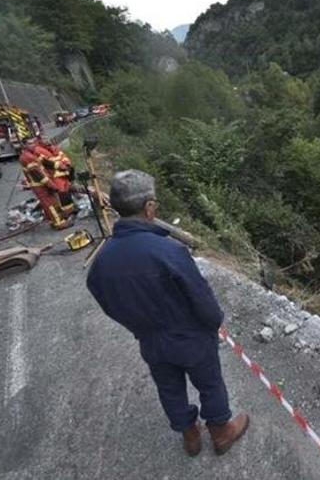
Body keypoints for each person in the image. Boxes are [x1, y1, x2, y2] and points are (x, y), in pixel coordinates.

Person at [86, 170, 250, 457]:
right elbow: (200, 297)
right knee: (210, 383)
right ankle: (221, 433)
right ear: (149, 207)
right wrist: (213, 324)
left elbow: (105, 300)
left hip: (150, 340)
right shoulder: (169, 250)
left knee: (169, 389)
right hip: (191, 337)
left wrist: (136, 326)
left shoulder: (102, 262)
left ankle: (190, 436)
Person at [19, 139, 71, 230]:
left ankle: (54, 220)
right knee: (50, 205)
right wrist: (51, 185)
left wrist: (61, 167)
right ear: (24, 145)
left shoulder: (33, 154)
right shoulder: (27, 158)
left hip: (43, 184)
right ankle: (59, 224)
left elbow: (46, 162)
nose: (33, 145)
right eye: (30, 143)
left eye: (34, 143)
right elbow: (38, 174)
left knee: (52, 202)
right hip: (40, 185)